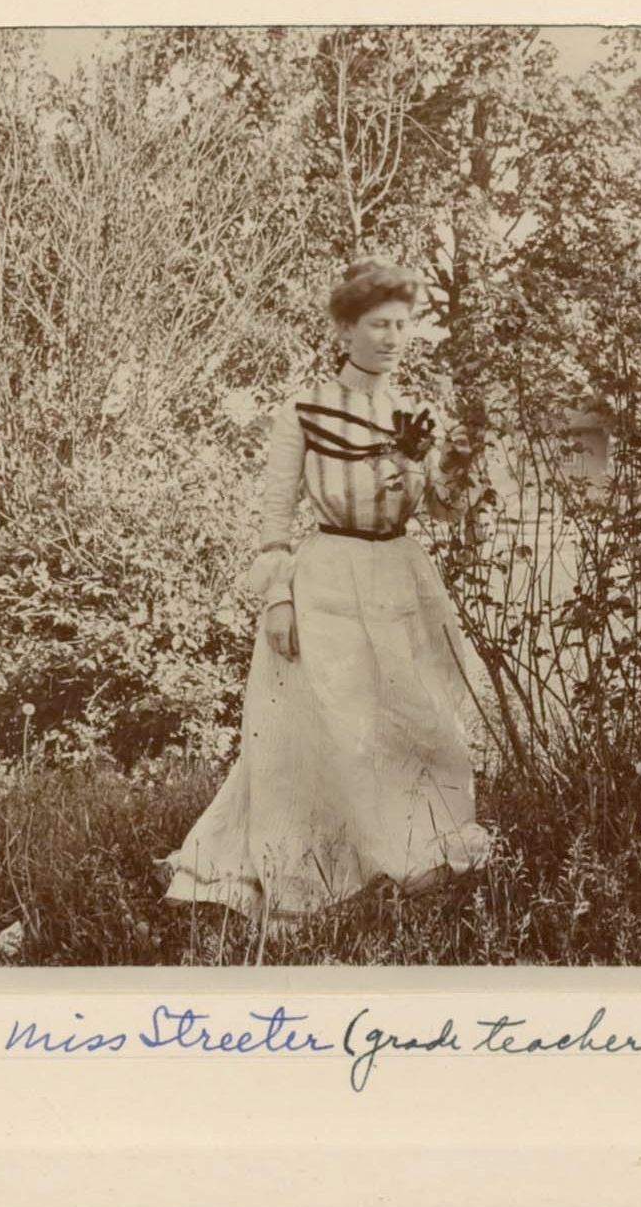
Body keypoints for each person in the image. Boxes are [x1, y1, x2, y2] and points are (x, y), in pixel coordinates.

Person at [159, 258, 491, 922]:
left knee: (418, 720)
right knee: (335, 728)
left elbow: (441, 511)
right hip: (329, 580)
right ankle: (322, 868)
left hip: (401, 578)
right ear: (344, 331)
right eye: (377, 325)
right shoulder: (304, 410)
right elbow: (274, 519)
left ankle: (412, 857)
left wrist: (454, 466)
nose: (392, 338)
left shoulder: (414, 413)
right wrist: (277, 599)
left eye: (401, 325)